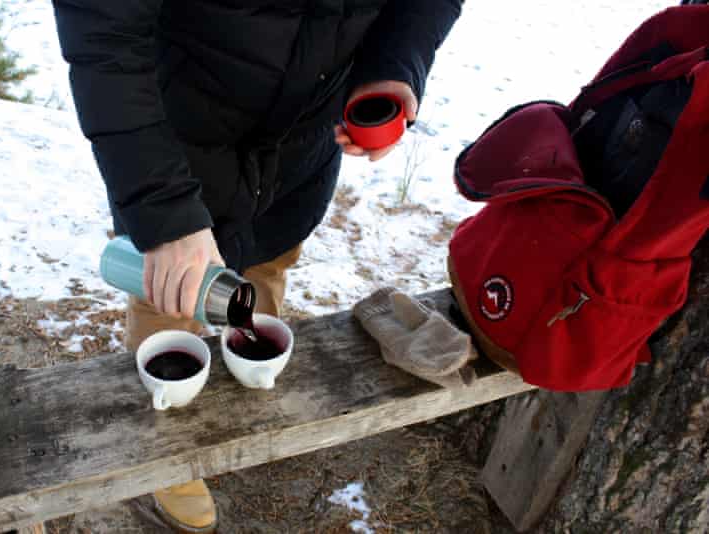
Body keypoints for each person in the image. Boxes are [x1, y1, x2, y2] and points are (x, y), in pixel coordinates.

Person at [53, 1, 462, 531]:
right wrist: (164, 211)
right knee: (169, 300)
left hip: (298, 153)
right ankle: (166, 453)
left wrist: (393, 65)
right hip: (177, 144)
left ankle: (240, 402)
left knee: (266, 267)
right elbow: (104, 38)